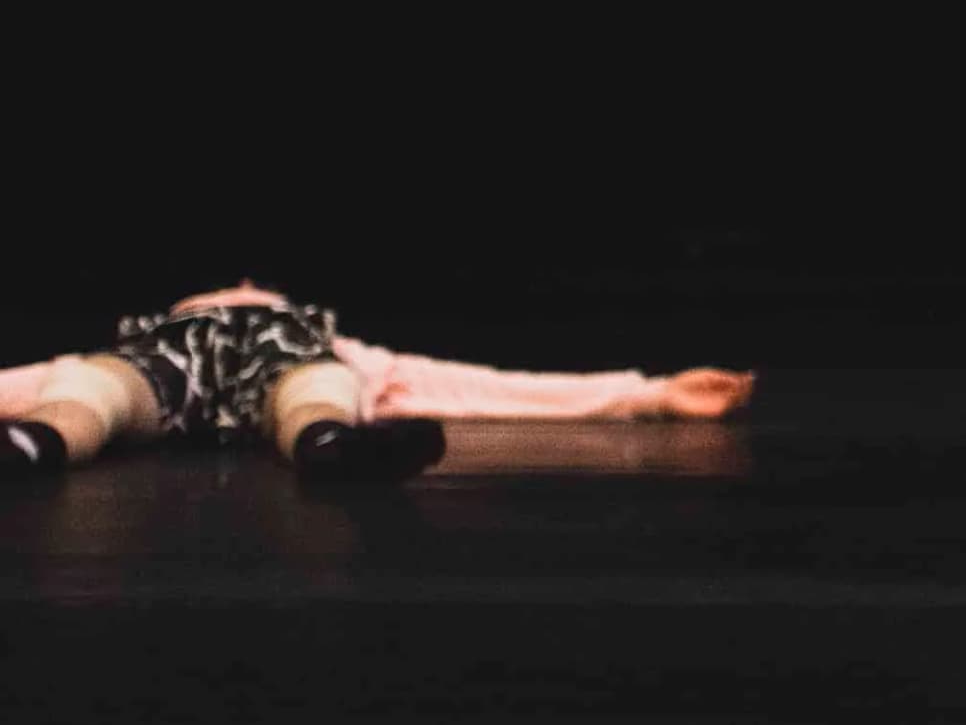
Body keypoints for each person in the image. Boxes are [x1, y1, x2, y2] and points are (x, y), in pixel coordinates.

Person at [0, 281, 756, 487]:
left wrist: (650, 392)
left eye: (254, 283)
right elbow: (18, 379)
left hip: (293, 361)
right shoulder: (154, 333)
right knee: (89, 391)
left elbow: (483, 385)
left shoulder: (323, 338)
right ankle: (33, 443)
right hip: (159, 364)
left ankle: (330, 443)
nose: (241, 282)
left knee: (314, 385)